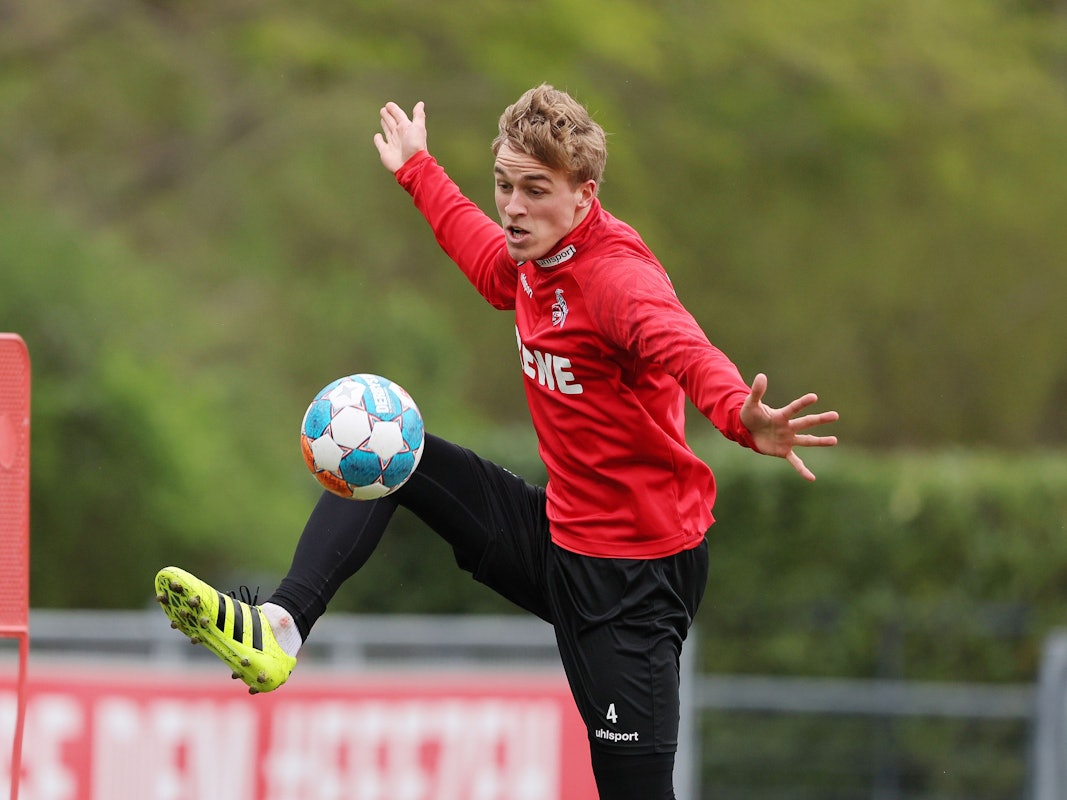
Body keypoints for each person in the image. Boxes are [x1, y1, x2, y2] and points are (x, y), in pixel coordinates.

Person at [155, 84, 838, 799]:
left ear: (584, 195)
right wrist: (419, 169)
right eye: (504, 185)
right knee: (388, 442)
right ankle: (279, 628)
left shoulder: (616, 281)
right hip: (557, 537)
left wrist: (739, 415)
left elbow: (686, 350)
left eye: (534, 189)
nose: (512, 207)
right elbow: (483, 256)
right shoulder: (530, 262)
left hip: (635, 581)